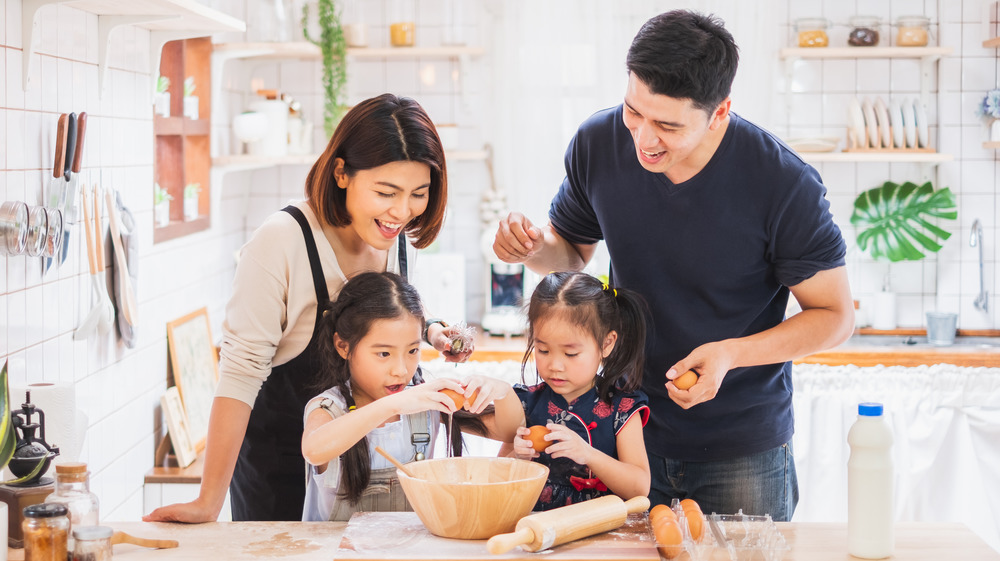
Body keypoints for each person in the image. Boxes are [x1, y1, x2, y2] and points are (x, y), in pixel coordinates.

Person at [492, 10, 854, 521]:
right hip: (621, 431)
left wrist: (730, 354)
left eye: (667, 125)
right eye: (634, 111)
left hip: (740, 445)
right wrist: (532, 250)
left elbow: (835, 315)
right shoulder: (597, 143)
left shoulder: (782, 184)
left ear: (720, 110)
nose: (643, 139)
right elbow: (571, 255)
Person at [145, 94, 472, 523]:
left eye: (419, 194)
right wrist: (208, 502)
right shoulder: (282, 239)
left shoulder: (395, 238)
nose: (401, 211)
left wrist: (430, 330)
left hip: (364, 486)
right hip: (281, 480)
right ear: (341, 173)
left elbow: (380, 317)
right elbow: (240, 374)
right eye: (386, 192)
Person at [301, 272, 522, 521]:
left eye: (413, 350)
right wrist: (393, 404)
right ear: (344, 346)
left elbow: (509, 432)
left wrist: (503, 391)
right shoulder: (329, 408)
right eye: (384, 354)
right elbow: (314, 450)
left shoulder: (422, 402)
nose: (402, 370)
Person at [507, 271, 651, 510]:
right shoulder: (525, 403)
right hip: (538, 530)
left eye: (571, 353)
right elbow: (500, 473)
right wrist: (517, 457)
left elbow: (639, 486)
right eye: (543, 350)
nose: (555, 365)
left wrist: (588, 454)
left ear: (607, 344)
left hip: (600, 531)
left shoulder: (622, 409)